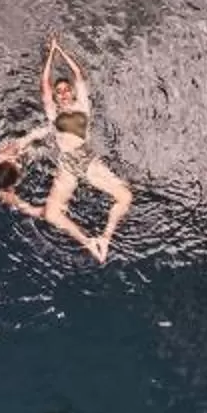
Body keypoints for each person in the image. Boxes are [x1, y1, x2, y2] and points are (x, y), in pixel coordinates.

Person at [34, 35, 134, 263]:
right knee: (51, 214)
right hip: (67, 164)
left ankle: (105, 238)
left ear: (72, 92)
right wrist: (49, 56)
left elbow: (78, 75)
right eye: (59, 92)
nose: (63, 93)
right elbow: (44, 88)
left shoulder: (83, 107)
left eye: (66, 89)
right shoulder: (54, 114)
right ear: (57, 98)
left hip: (87, 161)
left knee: (125, 197)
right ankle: (88, 241)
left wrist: (61, 51)